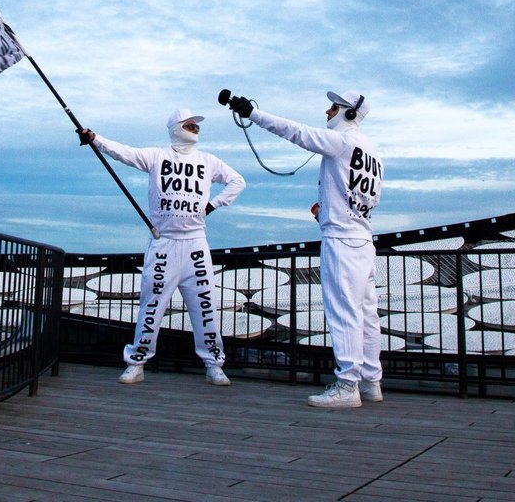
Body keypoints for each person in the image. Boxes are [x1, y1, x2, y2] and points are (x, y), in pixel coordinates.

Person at [224, 89, 383, 408]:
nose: (327, 112)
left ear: (348, 113)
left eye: (334, 107)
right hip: (363, 239)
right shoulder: (371, 150)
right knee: (367, 314)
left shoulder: (341, 142)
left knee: (344, 313)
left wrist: (253, 113)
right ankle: (371, 382)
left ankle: (347, 385)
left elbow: (294, 132)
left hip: (342, 241)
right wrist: (326, 211)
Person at [78, 109, 246, 386]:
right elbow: (124, 152)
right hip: (163, 243)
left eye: (196, 124)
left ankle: (214, 364)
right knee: (151, 304)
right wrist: (96, 139)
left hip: (195, 243)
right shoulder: (157, 157)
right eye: (190, 124)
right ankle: (137, 363)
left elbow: (237, 181)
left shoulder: (208, 161)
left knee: (205, 306)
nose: (195, 128)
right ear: (176, 128)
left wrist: (212, 205)